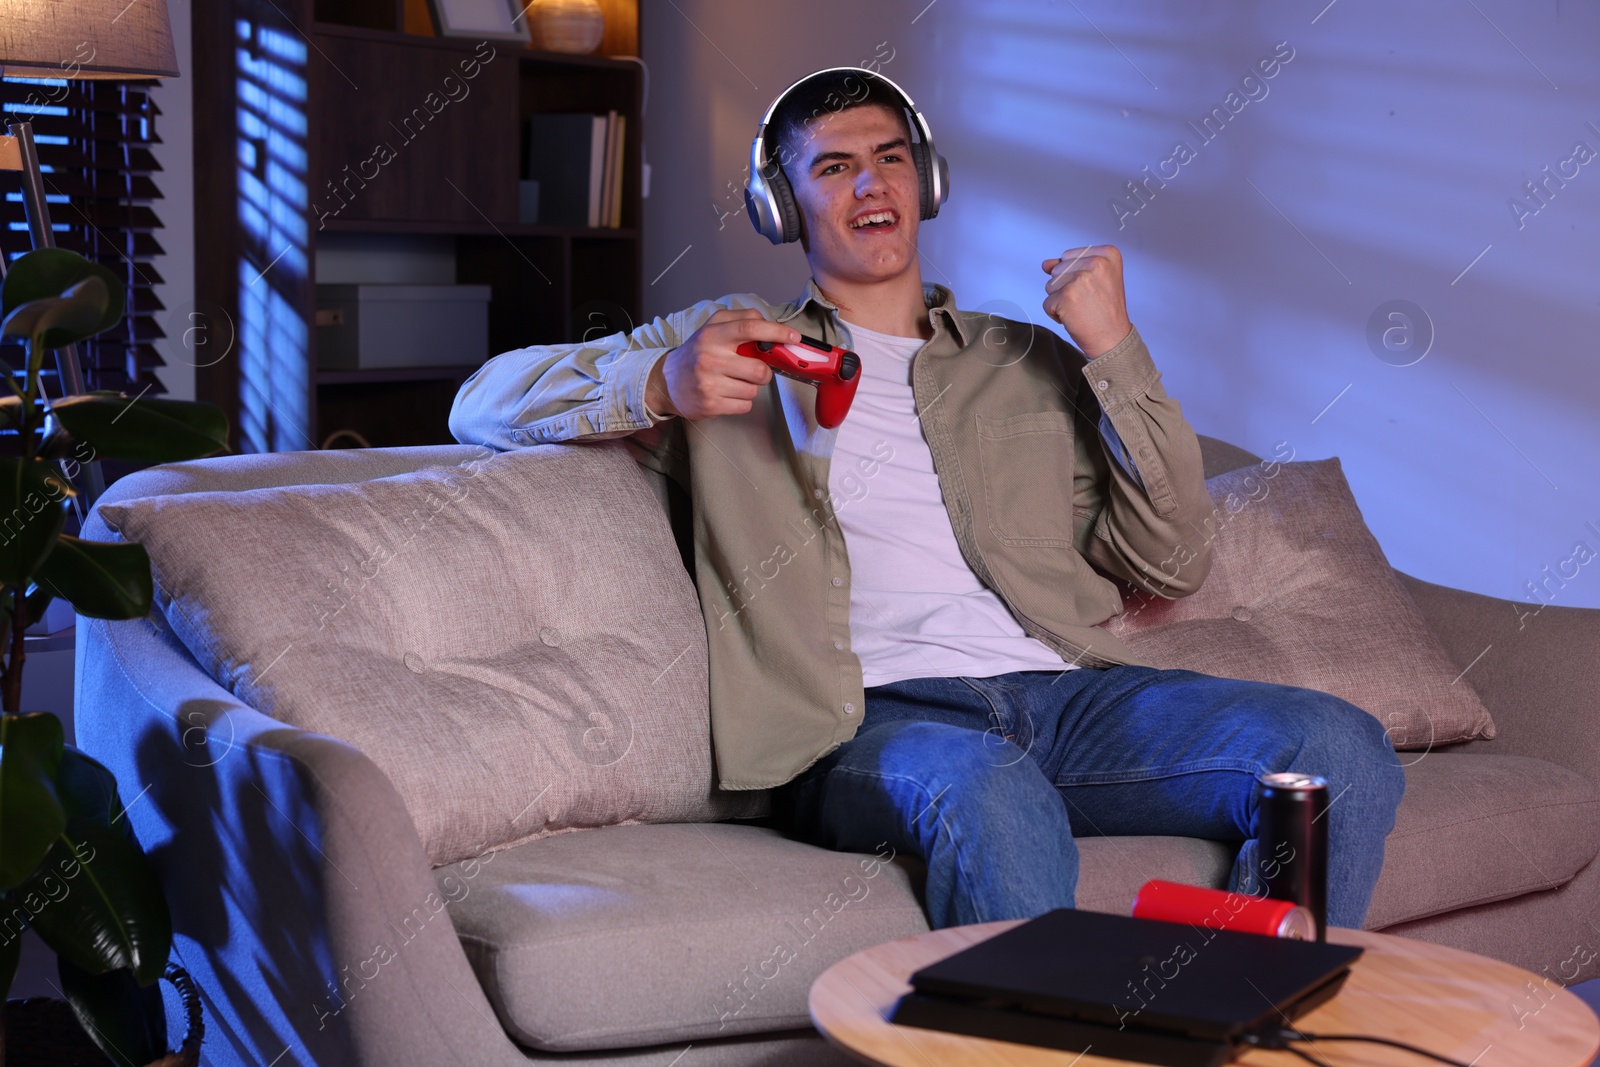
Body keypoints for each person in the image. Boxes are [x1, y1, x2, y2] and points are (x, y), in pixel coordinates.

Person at [449, 67, 1405, 931]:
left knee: (1338, 746)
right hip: (872, 721)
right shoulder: (731, 342)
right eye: (833, 168)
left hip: (1071, 697)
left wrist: (1115, 350)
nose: (870, 184)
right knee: (989, 786)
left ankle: (1244, 1023)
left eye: (890, 158)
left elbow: (1170, 559)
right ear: (783, 207)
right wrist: (659, 382)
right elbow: (480, 402)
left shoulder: (1025, 362)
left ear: (926, 183)